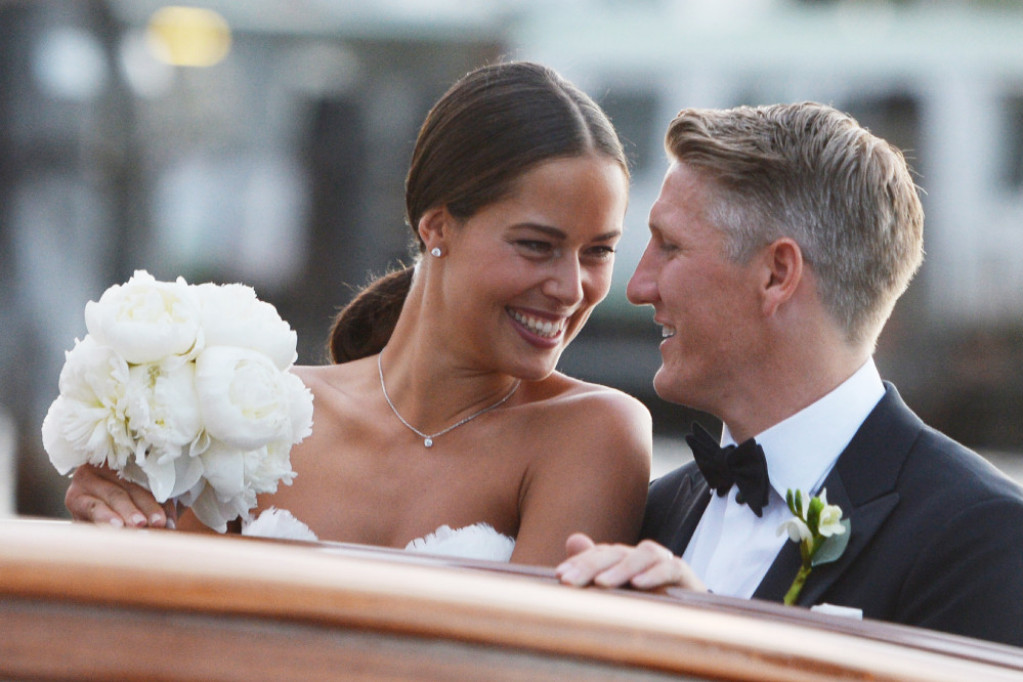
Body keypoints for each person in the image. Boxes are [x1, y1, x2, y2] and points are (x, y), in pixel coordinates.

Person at [63, 61, 652, 567]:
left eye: (599, 252)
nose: (571, 288)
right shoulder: (258, 414)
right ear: (436, 226)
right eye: (536, 245)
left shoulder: (593, 433)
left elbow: (533, 650)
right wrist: (122, 521)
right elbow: (163, 621)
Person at [556, 101, 1023, 647]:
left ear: (778, 274)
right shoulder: (650, 509)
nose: (638, 287)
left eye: (671, 247)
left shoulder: (982, 536)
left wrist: (707, 649)